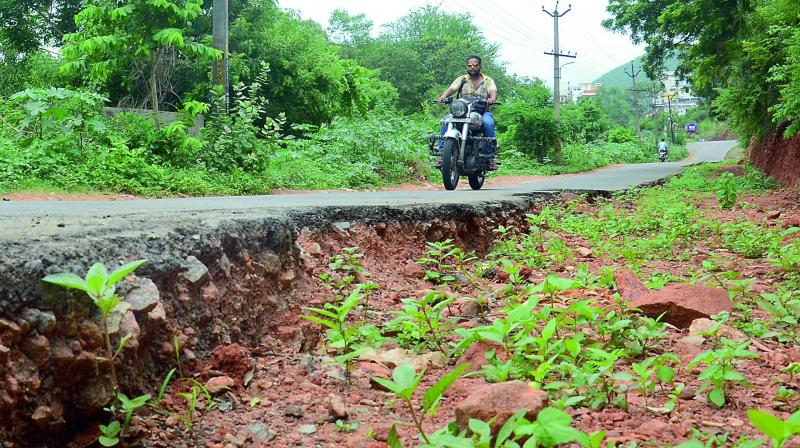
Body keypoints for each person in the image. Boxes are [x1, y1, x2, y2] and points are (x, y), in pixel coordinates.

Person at [436, 55, 498, 170]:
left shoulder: (488, 80)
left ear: (480, 66)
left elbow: (492, 90)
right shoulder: (462, 79)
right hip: (462, 111)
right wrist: (443, 97)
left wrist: (492, 98)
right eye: (470, 66)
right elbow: (452, 88)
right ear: (467, 67)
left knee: (488, 123)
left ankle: (489, 157)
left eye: (475, 65)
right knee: (446, 121)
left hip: (482, 111)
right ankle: (442, 154)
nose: (472, 68)